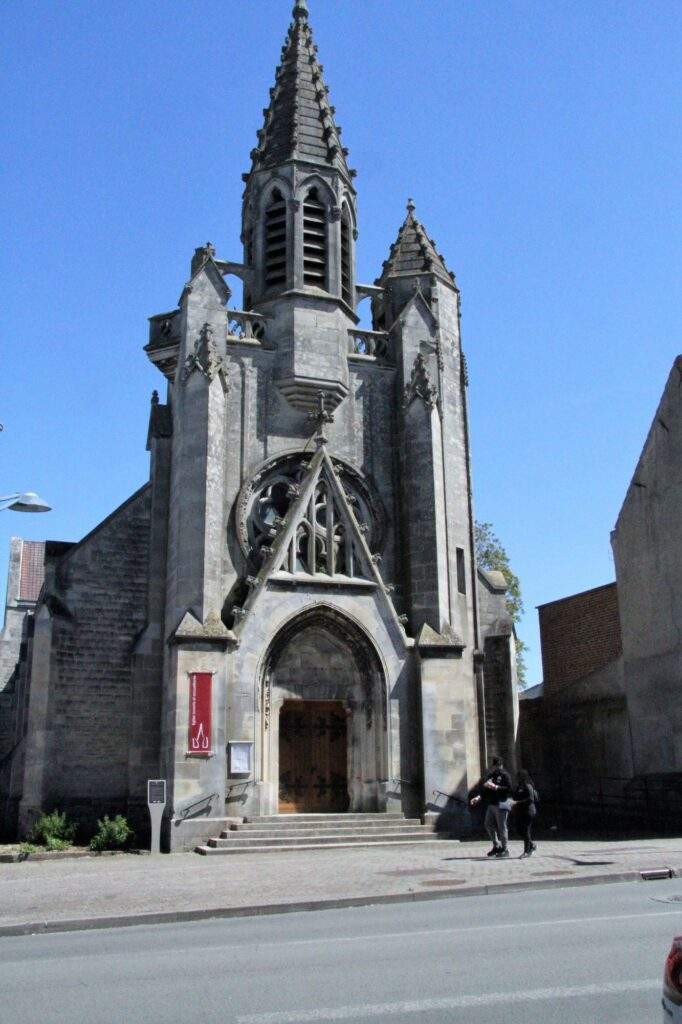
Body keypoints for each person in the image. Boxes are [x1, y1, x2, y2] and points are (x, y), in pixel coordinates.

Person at [470, 755, 513, 858]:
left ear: (500, 765)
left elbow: (509, 789)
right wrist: (478, 797)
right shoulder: (492, 775)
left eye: (497, 766)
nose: (495, 768)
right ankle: (496, 845)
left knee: (502, 827)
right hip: (491, 804)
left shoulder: (505, 775)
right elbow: (486, 790)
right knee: (488, 824)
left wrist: (496, 787)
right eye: (494, 766)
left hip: (501, 804)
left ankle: (505, 849)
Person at [512, 768, 537, 857]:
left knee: (526, 830)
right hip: (520, 811)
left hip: (528, 811)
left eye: (518, 776)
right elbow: (515, 796)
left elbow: (531, 799)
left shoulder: (528, 785)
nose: (517, 778)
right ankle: (532, 845)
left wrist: (518, 802)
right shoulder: (519, 786)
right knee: (518, 829)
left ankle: (527, 851)